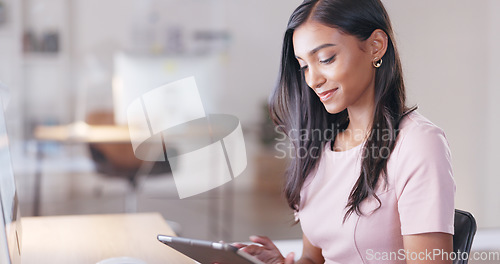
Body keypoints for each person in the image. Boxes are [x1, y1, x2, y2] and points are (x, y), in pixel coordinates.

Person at [235, 0, 456, 263]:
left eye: (326, 59)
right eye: (304, 66)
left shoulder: (418, 143)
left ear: (376, 46)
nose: (313, 80)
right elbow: (313, 258)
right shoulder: (321, 148)